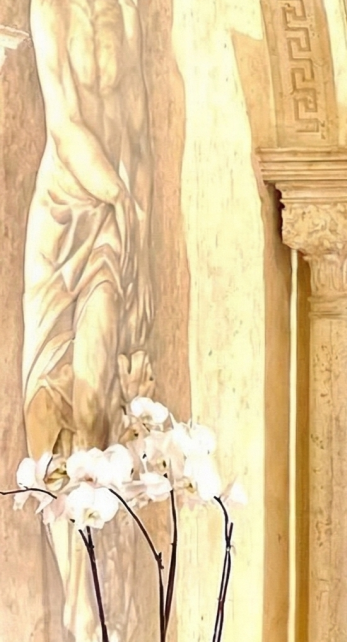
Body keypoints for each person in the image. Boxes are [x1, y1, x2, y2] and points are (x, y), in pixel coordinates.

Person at [24, 0, 156, 638]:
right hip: (64, 214)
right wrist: (121, 196)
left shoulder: (126, 12)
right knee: (52, 414)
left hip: (113, 221)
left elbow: (139, 136)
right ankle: (75, 601)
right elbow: (65, 123)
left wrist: (140, 241)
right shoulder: (49, 9)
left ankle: (94, 606)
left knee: (97, 403)